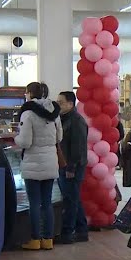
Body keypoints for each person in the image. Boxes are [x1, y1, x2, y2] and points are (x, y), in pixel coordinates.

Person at [15, 82, 62, 251]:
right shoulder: (54, 112)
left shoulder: (27, 113)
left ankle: (35, 240)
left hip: (33, 163)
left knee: (34, 203)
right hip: (51, 161)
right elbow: (59, 137)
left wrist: (15, 138)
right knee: (47, 202)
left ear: (29, 94)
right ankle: (48, 239)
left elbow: (25, 141)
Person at [56, 90, 89, 244]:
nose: (58, 105)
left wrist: (71, 168)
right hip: (65, 164)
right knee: (73, 198)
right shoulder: (63, 119)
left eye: (61, 102)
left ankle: (68, 232)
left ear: (70, 104)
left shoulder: (76, 121)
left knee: (70, 200)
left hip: (72, 166)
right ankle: (82, 230)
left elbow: (78, 147)